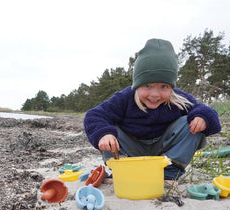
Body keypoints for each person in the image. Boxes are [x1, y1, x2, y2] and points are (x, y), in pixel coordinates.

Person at [83, 38, 221, 181]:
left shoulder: (180, 99)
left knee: (193, 120)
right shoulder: (124, 98)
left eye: (164, 87)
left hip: (165, 154)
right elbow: (94, 115)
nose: (155, 94)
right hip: (132, 153)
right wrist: (104, 135)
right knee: (107, 129)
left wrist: (203, 118)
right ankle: (122, 171)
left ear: (172, 87)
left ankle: (169, 172)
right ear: (137, 84)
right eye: (147, 86)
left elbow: (208, 113)